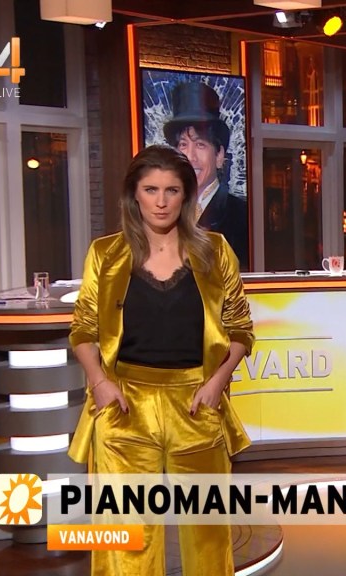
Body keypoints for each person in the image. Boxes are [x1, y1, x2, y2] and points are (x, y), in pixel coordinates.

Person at [67, 145, 253, 574]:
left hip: (196, 403)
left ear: (186, 196)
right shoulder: (106, 253)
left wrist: (217, 383)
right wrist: (100, 383)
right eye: (151, 189)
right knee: (126, 534)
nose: (162, 201)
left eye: (172, 190)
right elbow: (83, 329)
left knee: (208, 532)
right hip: (124, 406)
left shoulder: (215, 250)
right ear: (134, 194)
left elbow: (241, 329)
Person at [163, 82, 249, 267]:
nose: (190, 156)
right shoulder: (162, 210)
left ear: (219, 155)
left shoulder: (241, 215)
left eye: (200, 145)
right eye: (183, 145)